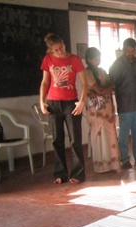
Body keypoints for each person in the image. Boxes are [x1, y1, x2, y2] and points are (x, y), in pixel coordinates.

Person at [39, 33, 87, 185]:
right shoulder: (48, 60)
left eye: (61, 48)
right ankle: (60, 173)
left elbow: (84, 83)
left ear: (64, 44)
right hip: (53, 103)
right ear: (50, 51)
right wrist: (41, 101)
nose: (60, 51)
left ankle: (78, 174)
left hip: (70, 103)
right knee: (57, 140)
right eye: (56, 50)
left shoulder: (75, 59)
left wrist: (81, 102)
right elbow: (45, 82)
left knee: (75, 139)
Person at [109, 38, 136, 171]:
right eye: (128, 51)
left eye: (133, 51)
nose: (131, 54)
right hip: (125, 105)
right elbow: (113, 84)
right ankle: (125, 159)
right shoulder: (116, 65)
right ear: (123, 49)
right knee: (124, 134)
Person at [84, 47, 120, 173]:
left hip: (107, 107)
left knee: (110, 133)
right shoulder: (87, 73)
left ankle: (112, 164)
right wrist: (109, 88)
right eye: (95, 59)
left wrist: (108, 89)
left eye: (99, 58)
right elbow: (99, 90)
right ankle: (101, 165)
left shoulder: (102, 71)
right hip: (95, 109)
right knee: (99, 134)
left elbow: (111, 87)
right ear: (88, 60)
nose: (98, 61)